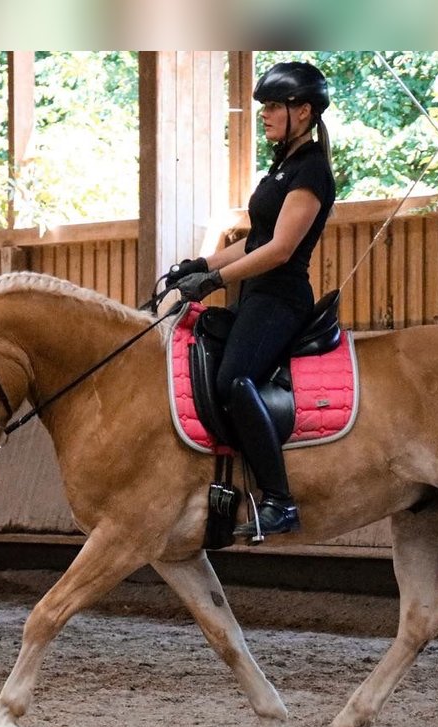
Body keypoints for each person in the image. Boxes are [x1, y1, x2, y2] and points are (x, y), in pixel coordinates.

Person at [169, 61, 336, 538]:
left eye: (272, 107)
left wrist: (215, 283)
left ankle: (280, 500)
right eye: (263, 107)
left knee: (235, 380)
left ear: (302, 112)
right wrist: (202, 266)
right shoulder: (282, 167)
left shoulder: (311, 172)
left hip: (282, 297)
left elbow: (280, 250)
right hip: (257, 293)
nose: (263, 115)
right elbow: (256, 239)